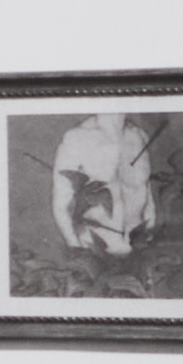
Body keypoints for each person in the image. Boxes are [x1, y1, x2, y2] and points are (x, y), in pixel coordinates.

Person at [49, 109, 154, 260]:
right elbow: (60, 203)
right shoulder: (78, 137)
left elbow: (146, 191)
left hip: (138, 248)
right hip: (93, 249)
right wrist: (75, 246)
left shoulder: (139, 136)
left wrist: (150, 229)